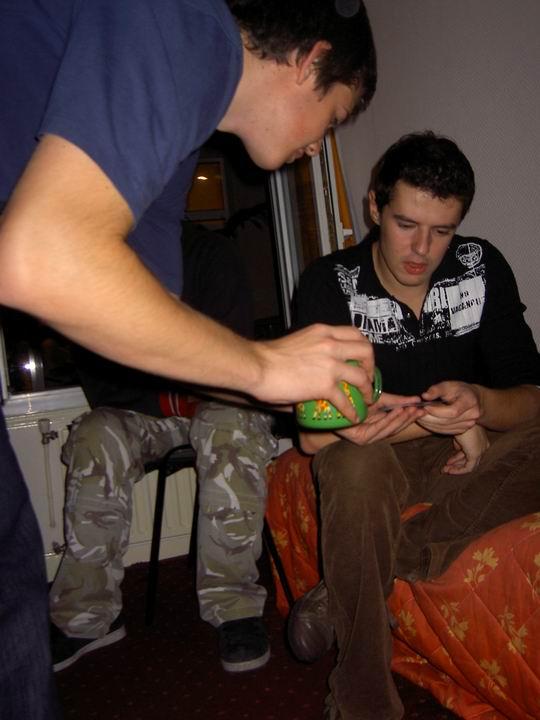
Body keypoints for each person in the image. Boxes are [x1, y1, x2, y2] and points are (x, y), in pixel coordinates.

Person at [0, 2, 378, 715]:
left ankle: (231, 606)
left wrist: (283, 397)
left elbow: (146, 329)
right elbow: (43, 259)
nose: (316, 149)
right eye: (331, 120)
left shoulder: (175, 151)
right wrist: (267, 368)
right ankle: (85, 615)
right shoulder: (185, 20)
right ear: (310, 62)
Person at [288, 131, 540, 720]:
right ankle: (363, 700)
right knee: (355, 466)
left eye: (442, 231)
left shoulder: (480, 268)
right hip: (376, 455)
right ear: (375, 207)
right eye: (406, 224)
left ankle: (365, 574)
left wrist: (480, 403)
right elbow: (314, 436)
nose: (422, 249)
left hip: (468, 451)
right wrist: (437, 419)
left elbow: (531, 395)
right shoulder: (330, 283)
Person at [50, 221, 278, 673]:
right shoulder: (95, 262)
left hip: (219, 403)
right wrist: (173, 396)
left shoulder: (210, 254)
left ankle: (234, 607)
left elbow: (231, 362)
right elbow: (103, 384)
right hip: (147, 412)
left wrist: (195, 386)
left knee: (228, 425)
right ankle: (87, 615)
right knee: (95, 432)